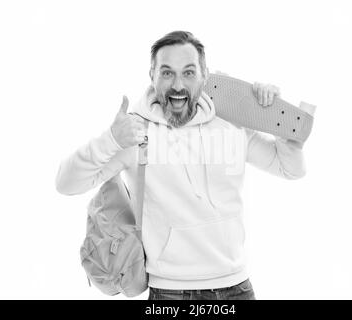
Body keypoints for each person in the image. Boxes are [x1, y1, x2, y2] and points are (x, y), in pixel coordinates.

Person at [55, 30, 306, 300]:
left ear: (204, 75)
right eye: (167, 73)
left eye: (188, 72)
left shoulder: (231, 125)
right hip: (170, 293)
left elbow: (290, 169)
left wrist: (276, 119)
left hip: (237, 287)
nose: (177, 85)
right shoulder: (135, 131)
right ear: (152, 75)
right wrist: (111, 140)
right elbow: (66, 184)